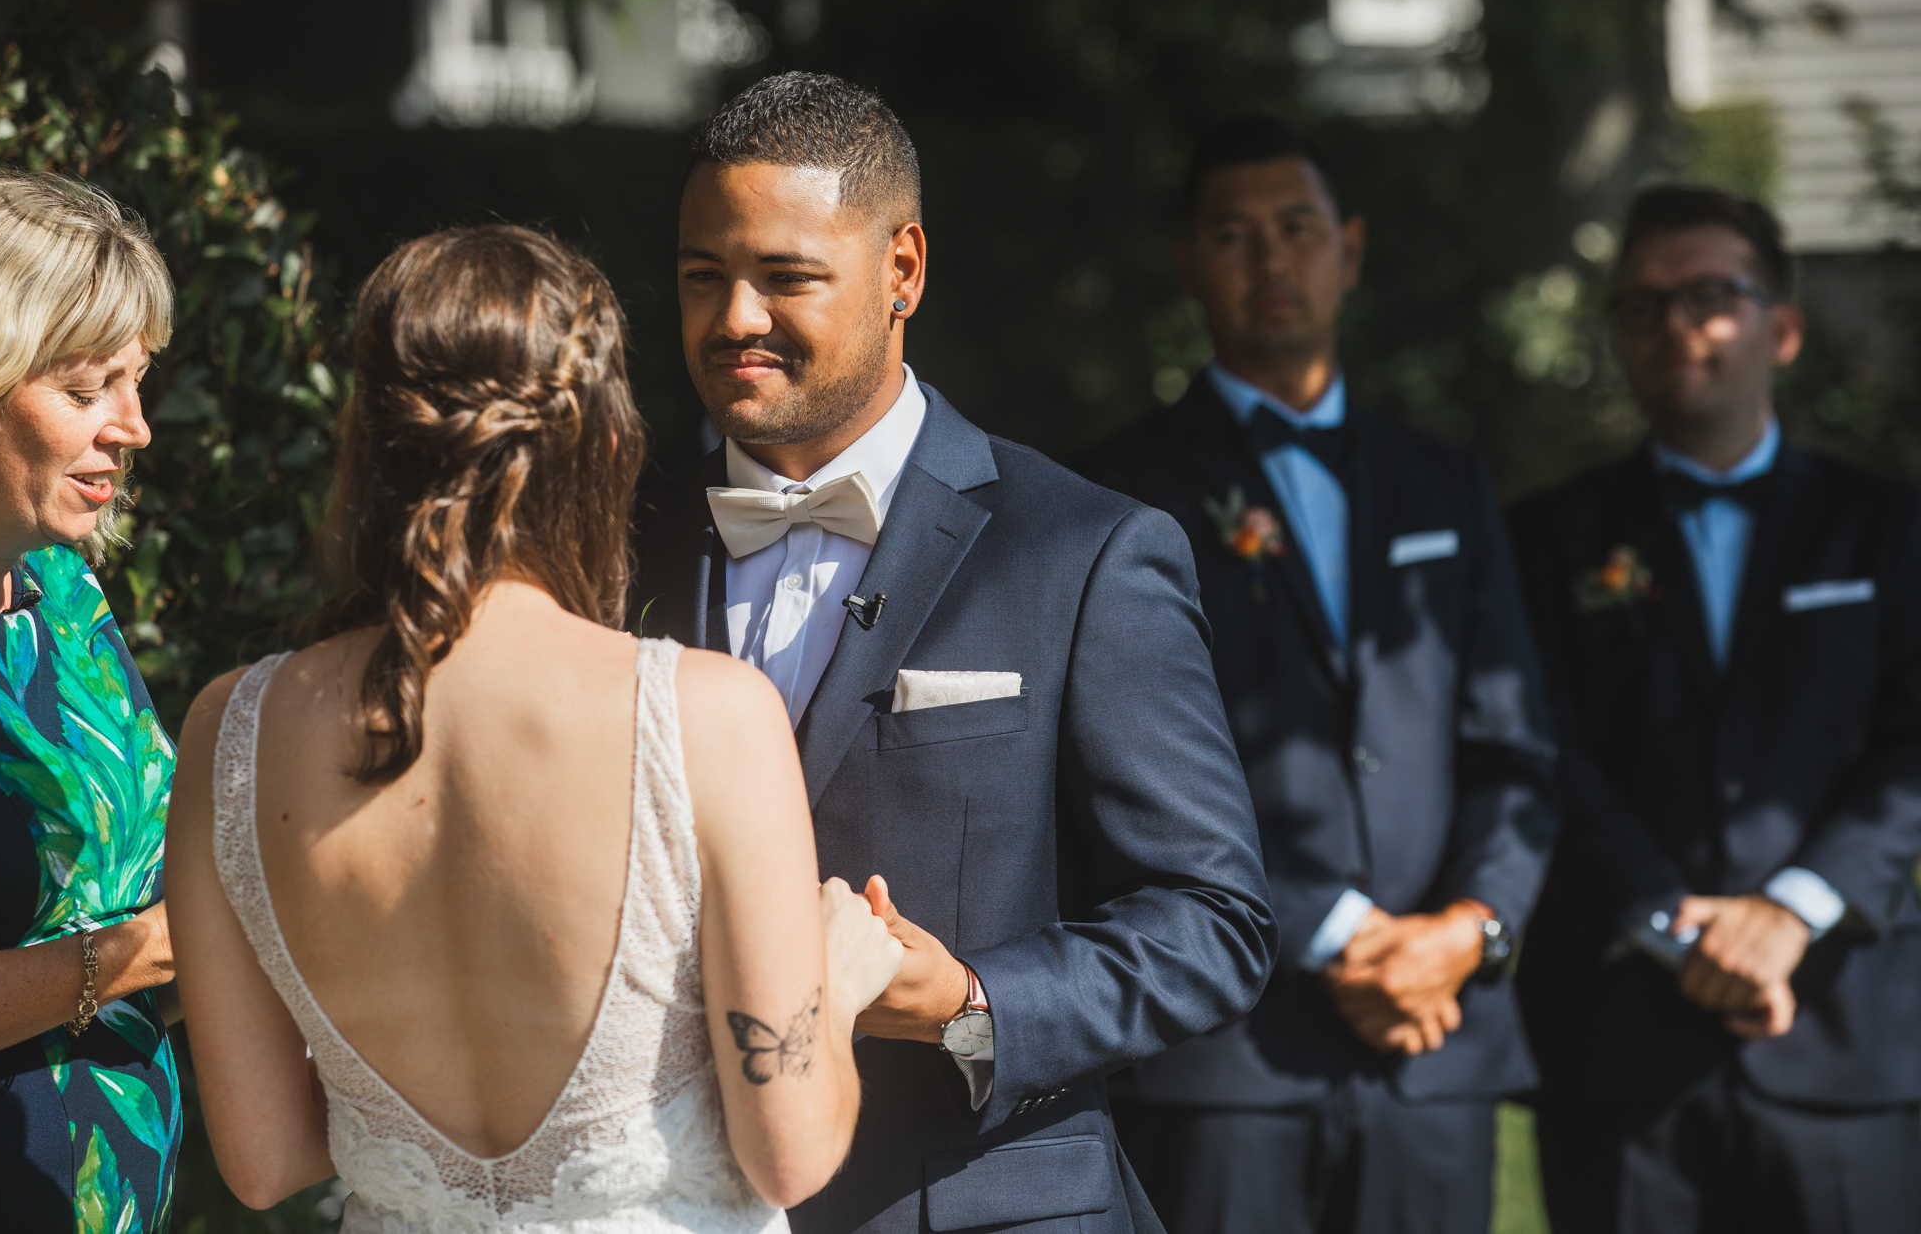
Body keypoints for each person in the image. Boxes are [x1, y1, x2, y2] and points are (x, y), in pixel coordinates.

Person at [630, 72, 1277, 1234]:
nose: (733, 317)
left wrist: (969, 1001)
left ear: (902, 272)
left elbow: (1211, 920)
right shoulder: (610, 551)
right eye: (701, 275)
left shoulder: (1082, 551)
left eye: (784, 277)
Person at [165, 224, 905, 1230]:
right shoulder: (704, 714)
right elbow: (790, 1152)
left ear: (370, 440)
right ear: (602, 439)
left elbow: (262, 1161)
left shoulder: (231, 729)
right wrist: (840, 978)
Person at [1077, 116, 1559, 1234]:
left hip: (1435, 1049)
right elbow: (1119, 769)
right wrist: (1338, 930)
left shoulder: (1442, 481)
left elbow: (1514, 745)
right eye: (1233, 235)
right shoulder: (1115, 494)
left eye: (1296, 229)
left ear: (1349, 247)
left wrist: (1468, 929)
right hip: (1225, 1060)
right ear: (1188, 264)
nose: (1270, 259)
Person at [1507, 186, 1921, 1233]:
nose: (1673, 326)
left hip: (1840, 1041)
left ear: (1779, 327)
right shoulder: (1544, 539)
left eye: (1707, 296)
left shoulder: (1883, 528)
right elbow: (1532, 745)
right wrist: (1670, 925)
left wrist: (1790, 909)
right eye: (1641, 306)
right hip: (1616, 1053)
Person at [0, 172, 182, 1226]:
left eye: (136, 382)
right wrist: (138, 955)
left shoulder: (63, 598)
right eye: (86, 390)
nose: (134, 428)